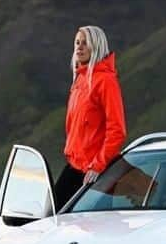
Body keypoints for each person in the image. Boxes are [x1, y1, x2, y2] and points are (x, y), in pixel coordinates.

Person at [53, 25, 127, 210]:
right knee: (53, 216)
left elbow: (117, 129)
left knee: (92, 225)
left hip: (93, 170)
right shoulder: (79, 80)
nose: (80, 47)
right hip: (75, 165)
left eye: (85, 43)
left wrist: (98, 165)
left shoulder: (106, 81)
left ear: (97, 46)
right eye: (77, 43)